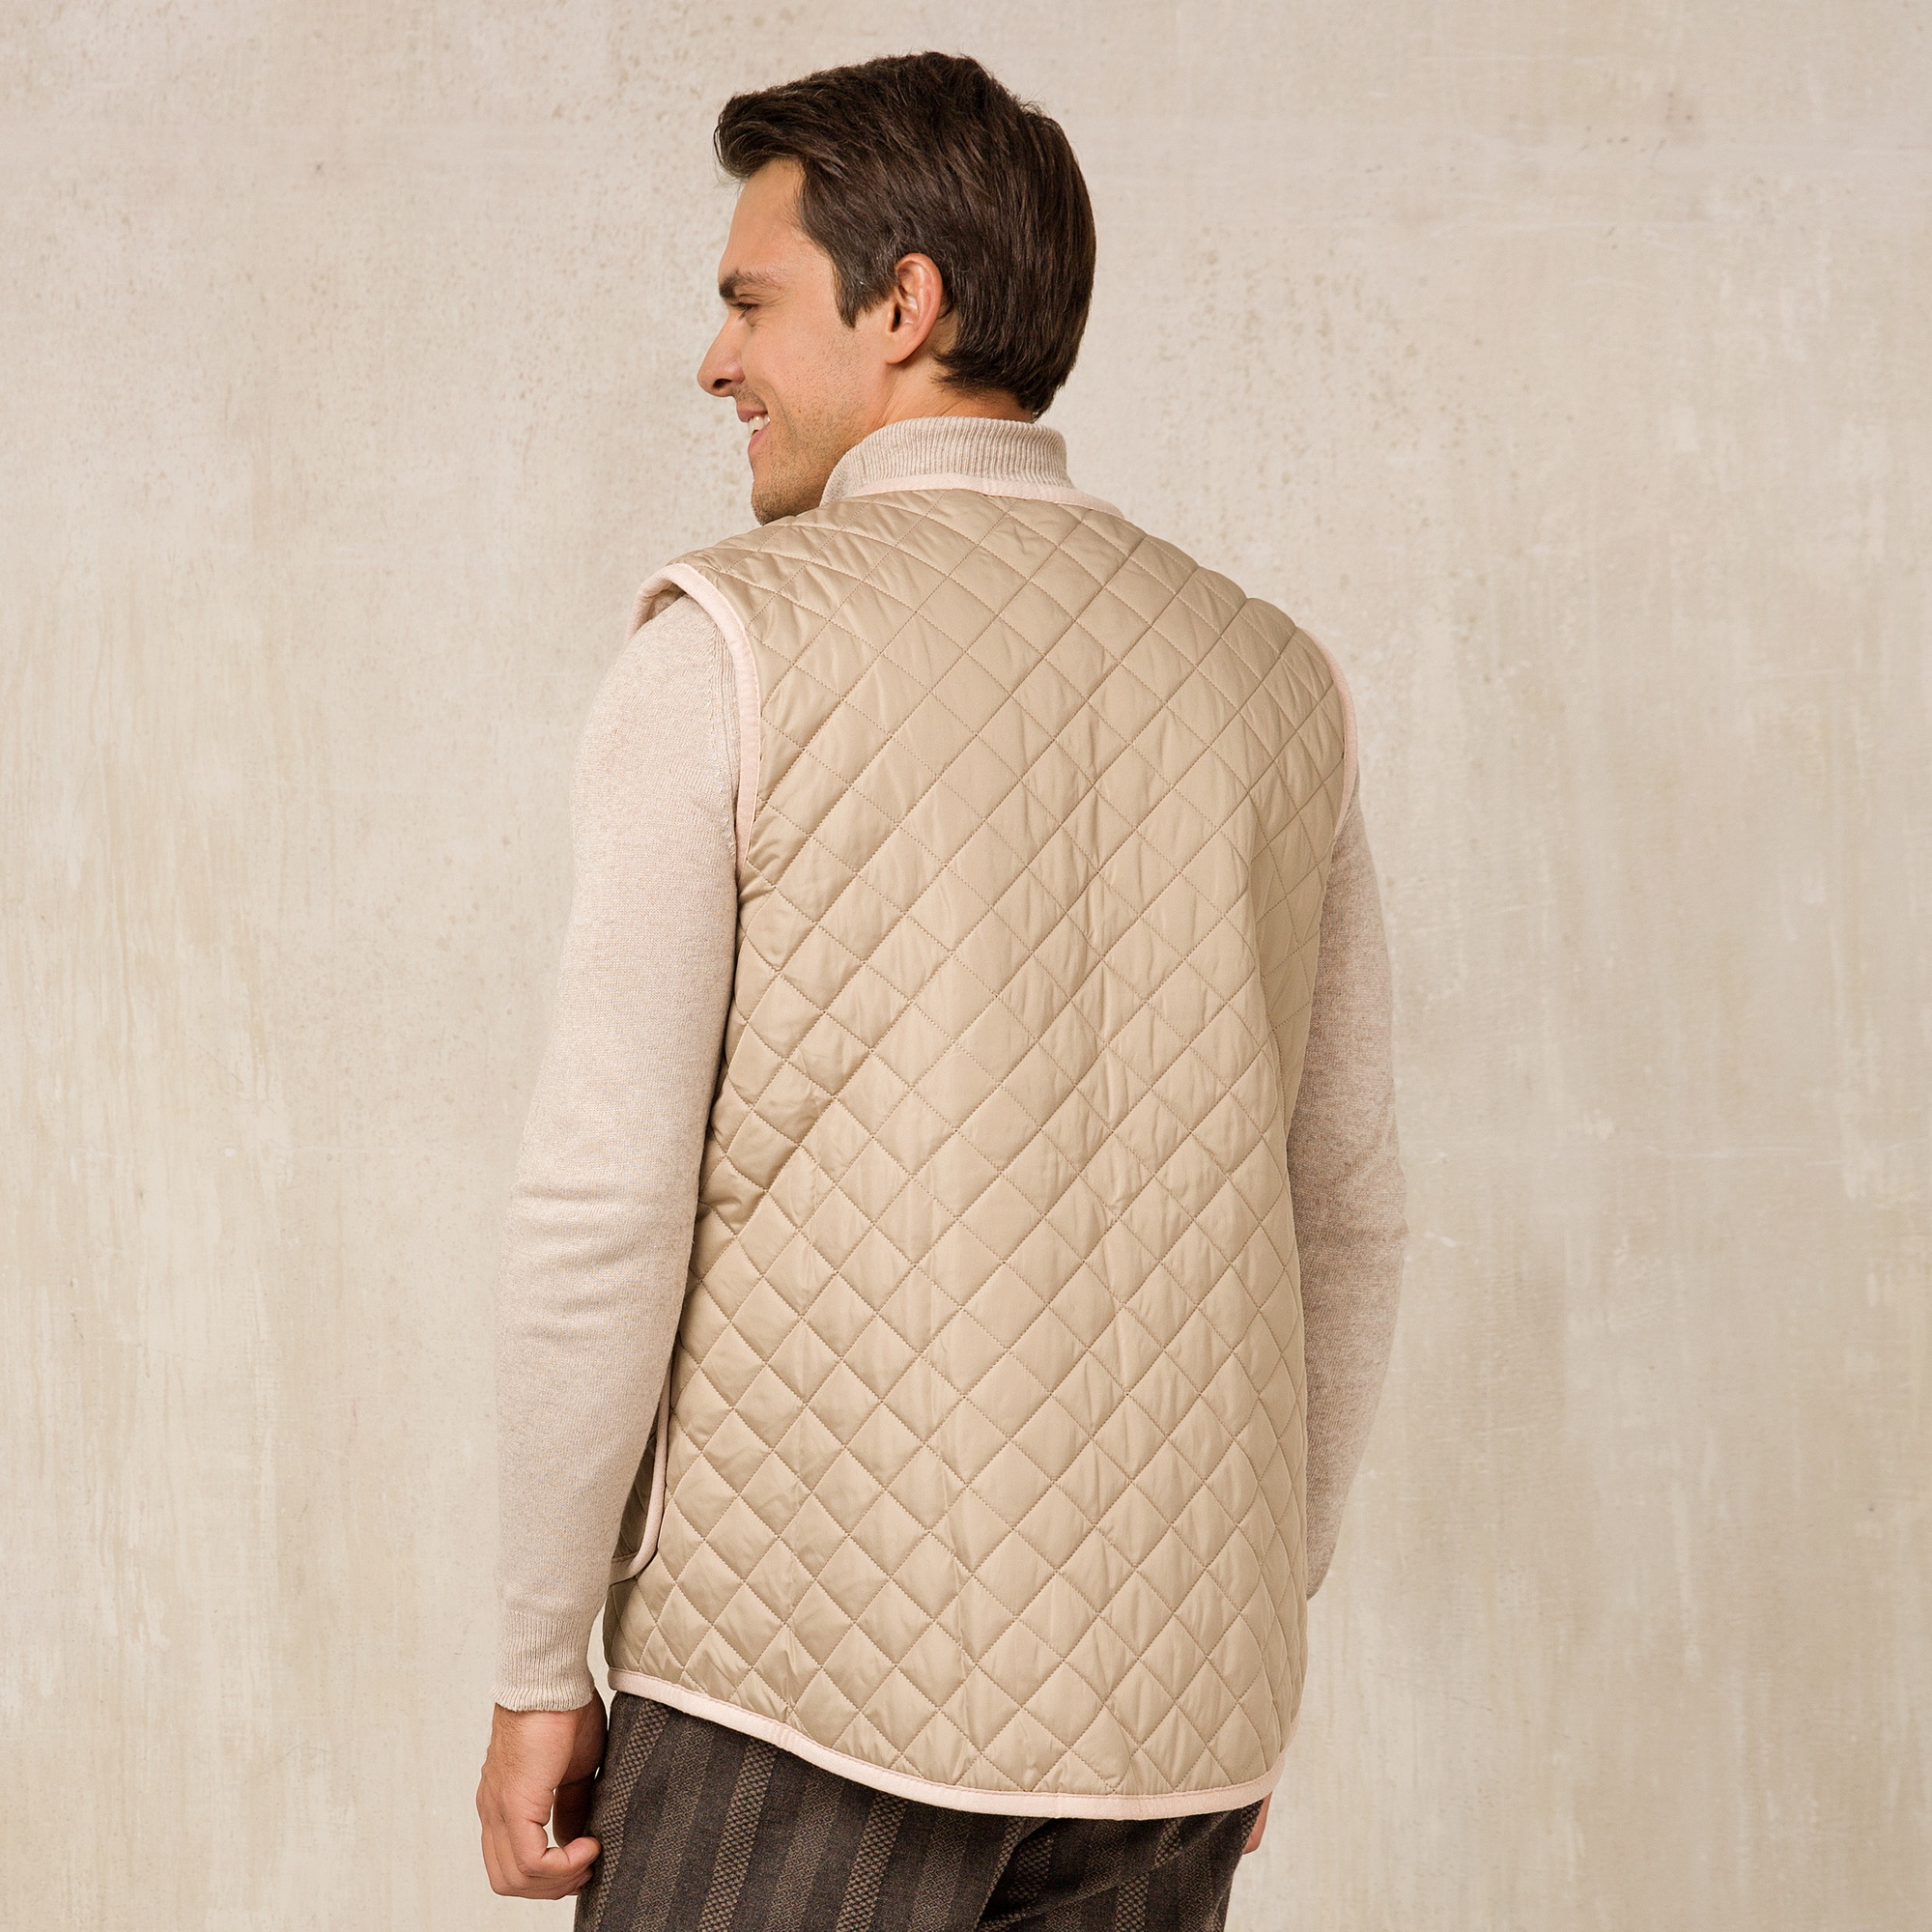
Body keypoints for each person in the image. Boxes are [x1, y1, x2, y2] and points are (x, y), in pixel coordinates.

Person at [475, 50, 1406, 1931]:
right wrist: (1240, 1634)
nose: (716, 362)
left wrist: (532, 1658)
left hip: (792, 1700)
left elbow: (605, 1199)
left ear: (901, 304)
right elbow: (1347, 1211)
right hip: (1170, 1725)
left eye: (751, 302)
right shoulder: (1268, 676)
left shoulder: (734, 642)